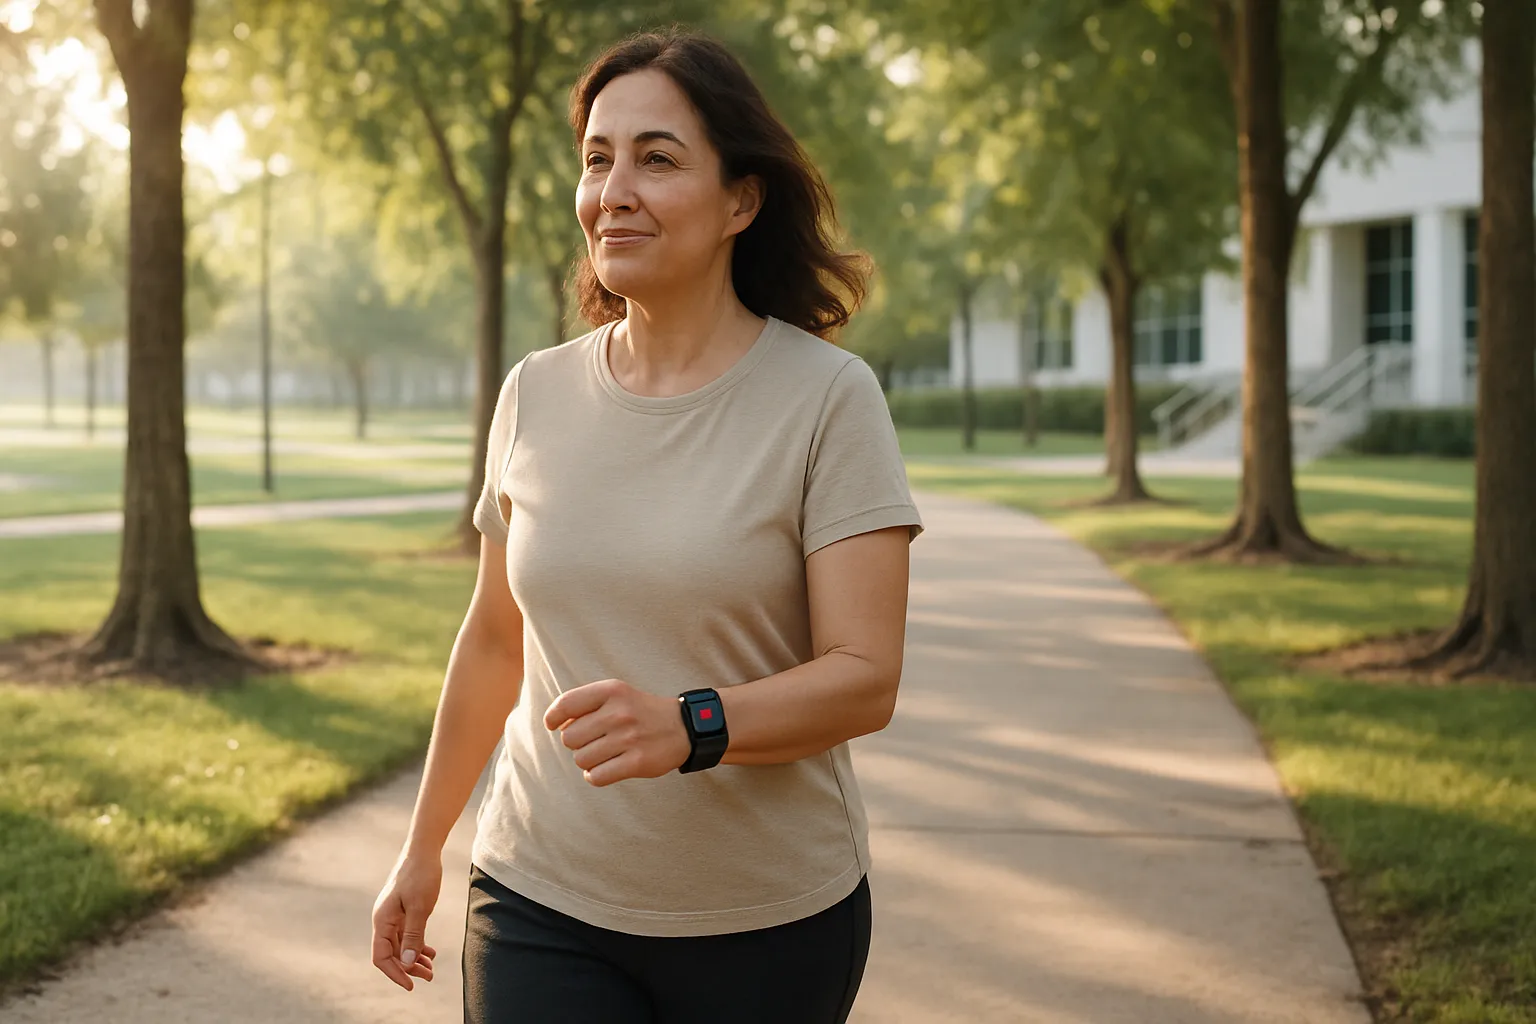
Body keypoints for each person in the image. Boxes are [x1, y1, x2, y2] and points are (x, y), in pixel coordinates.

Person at [369, 27, 923, 1024]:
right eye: (596, 158)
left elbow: (864, 674)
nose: (612, 188)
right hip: (540, 894)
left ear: (740, 201)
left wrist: (691, 724)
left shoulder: (828, 399)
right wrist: (422, 846)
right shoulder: (534, 391)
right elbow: (496, 637)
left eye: (656, 158)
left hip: (768, 922)